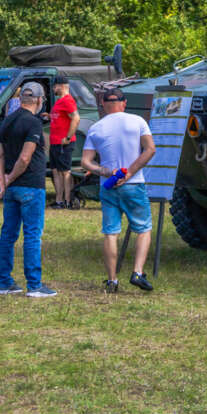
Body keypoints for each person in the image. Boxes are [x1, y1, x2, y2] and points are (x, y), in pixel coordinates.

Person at [81, 88, 156, 294]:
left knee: (111, 233)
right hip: (134, 184)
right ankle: (137, 272)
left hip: (108, 185)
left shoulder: (96, 127)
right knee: (143, 229)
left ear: (103, 105)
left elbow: (86, 162)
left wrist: (104, 171)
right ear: (124, 103)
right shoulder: (138, 121)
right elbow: (150, 149)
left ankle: (112, 280)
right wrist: (130, 172)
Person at [0, 82, 57, 297]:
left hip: (12, 189)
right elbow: (25, 158)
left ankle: (4, 282)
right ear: (38, 100)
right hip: (31, 186)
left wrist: (2, 181)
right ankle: (34, 285)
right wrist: (9, 178)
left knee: (8, 234)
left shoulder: (6, 121)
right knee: (32, 235)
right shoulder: (34, 123)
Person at [48, 77, 80, 209]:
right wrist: (49, 116)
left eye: (55, 86)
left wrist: (68, 137)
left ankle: (67, 201)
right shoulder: (59, 101)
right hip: (54, 142)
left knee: (65, 172)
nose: (53, 89)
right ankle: (59, 200)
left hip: (63, 143)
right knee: (56, 171)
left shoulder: (67, 100)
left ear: (61, 86)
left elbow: (76, 118)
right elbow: (61, 117)